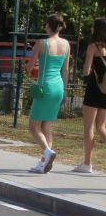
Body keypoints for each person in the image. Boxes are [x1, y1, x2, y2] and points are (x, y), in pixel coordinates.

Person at [25, 13, 70, 173]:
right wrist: (65, 92)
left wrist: (28, 69)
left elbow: (30, 67)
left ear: (48, 26)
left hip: (45, 87)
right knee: (47, 126)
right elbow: (65, 70)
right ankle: (44, 162)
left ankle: (48, 152)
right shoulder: (66, 44)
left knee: (33, 126)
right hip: (58, 86)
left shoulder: (41, 43)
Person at [74, 17, 106, 173]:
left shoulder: (93, 47)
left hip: (94, 89)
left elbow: (86, 70)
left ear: (97, 29)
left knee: (89, 127)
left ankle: (87, 163)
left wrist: (87, 73)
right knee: (101, 127)